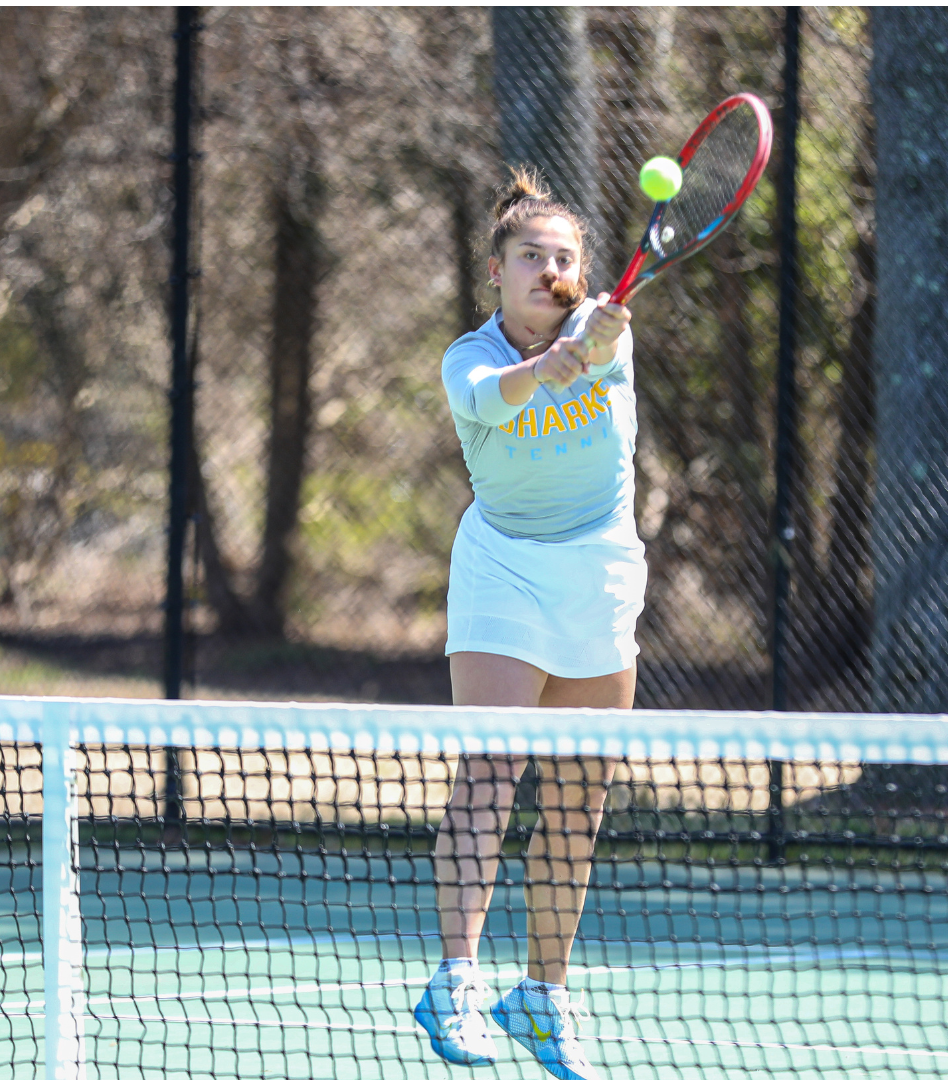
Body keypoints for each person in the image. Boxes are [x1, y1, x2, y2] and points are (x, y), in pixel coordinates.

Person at [412, 168, 639, 1080]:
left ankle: (542, 995)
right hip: (504, 568)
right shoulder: (466, 360)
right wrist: (553, 365)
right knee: (492, 773)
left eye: (566, 258)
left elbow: (597, 344)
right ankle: (455, 981)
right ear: (497, 274)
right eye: (531, 256)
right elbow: (503, 394)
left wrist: (599, 339)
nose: (550, 268)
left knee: (579, 798)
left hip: (600, 570)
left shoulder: (607, 334)